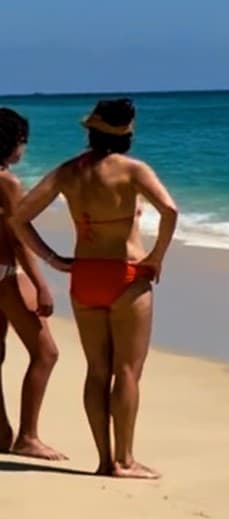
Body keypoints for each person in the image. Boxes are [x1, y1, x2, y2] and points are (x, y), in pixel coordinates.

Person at [8, 99, 178, 478]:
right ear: (128, 132)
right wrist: (156, 257)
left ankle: (104, 461)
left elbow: (20, 217)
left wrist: (54, 259)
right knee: (128, 371)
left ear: (91, 130)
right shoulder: (134, 170)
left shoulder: (69, 171)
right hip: (126, 274)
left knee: (98, 370)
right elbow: (170, 211)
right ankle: (126, 460)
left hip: (84, 276)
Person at [0, 108, 66, 461]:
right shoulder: (7, 182)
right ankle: (28, 436)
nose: (23, 149)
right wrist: (42, 281)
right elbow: (17, 237)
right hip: (4, 275)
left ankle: (0, 431)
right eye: (22, 141)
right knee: (46, 353)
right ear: (11, 142)